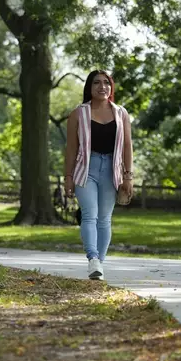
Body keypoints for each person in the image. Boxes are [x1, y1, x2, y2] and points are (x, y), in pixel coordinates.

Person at [64, 70, 134, 280]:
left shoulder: (121, 113)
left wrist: (128, 176)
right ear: (89, 87)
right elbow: (71, 148)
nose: (102, 87)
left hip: (112, 170)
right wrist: (68, 177)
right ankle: (93, 258)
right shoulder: (78, 113)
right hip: (86, 169)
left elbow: (128, 146)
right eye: (97, 83)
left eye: (106, 83)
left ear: (111, 88)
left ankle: (98, 266)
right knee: (89, 214)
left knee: (104, 219)